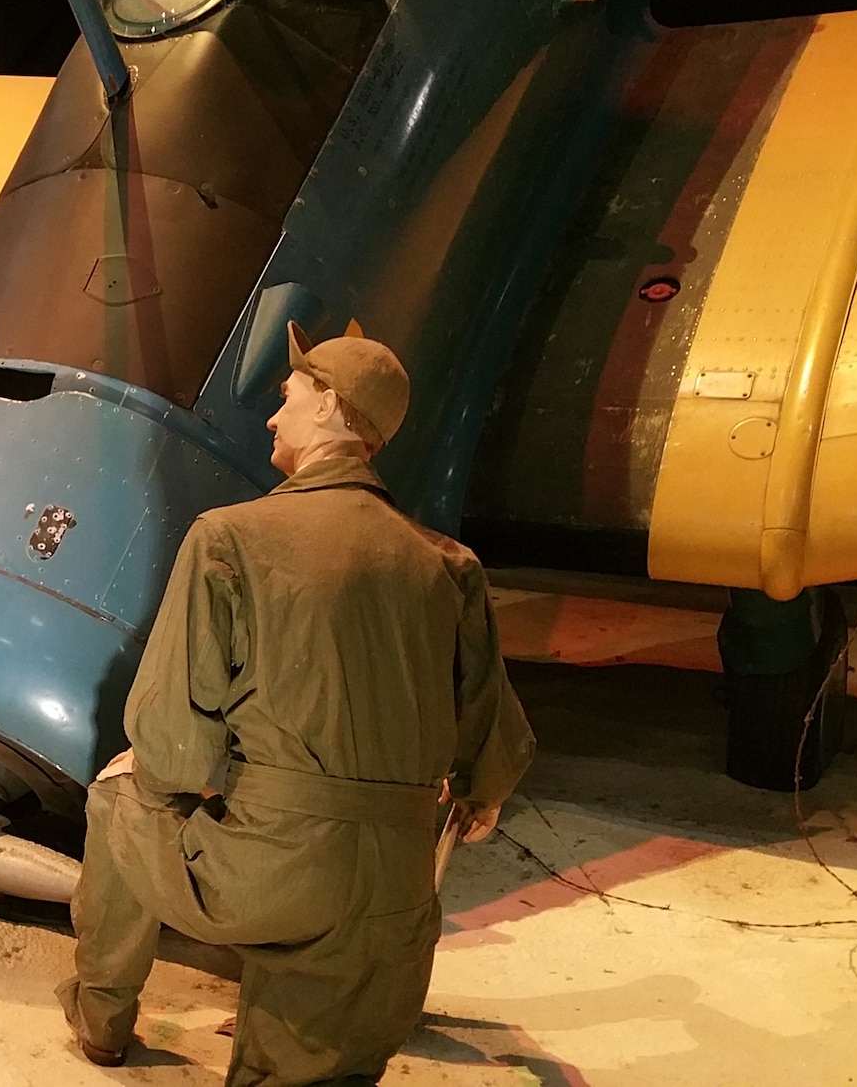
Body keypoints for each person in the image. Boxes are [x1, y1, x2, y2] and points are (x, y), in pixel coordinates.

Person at [59, 322, 535, 1085]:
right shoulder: (448, 564)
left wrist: (181, 774)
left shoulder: (231, 537)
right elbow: (494, 747)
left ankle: (103, 1018)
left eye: (288, 398)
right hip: (394, 904)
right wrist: (480, 795)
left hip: (269, 881)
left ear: (331, 407)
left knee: (121, 789)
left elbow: (171, 741)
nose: (274, 418)